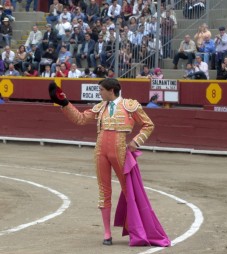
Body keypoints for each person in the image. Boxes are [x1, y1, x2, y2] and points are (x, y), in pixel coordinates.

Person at [48, 78, 155, 245]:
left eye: (101, 90)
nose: (99, 93)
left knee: (128, 190)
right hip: (100, 150)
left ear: (111, 90)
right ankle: (107, 233)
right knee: (104, 191)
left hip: (119, 149)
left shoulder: (130, 105)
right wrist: (64, 103)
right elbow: (80, 119)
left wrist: (136, 141)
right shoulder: (101, 107)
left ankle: (136, 229)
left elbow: (148, 125)